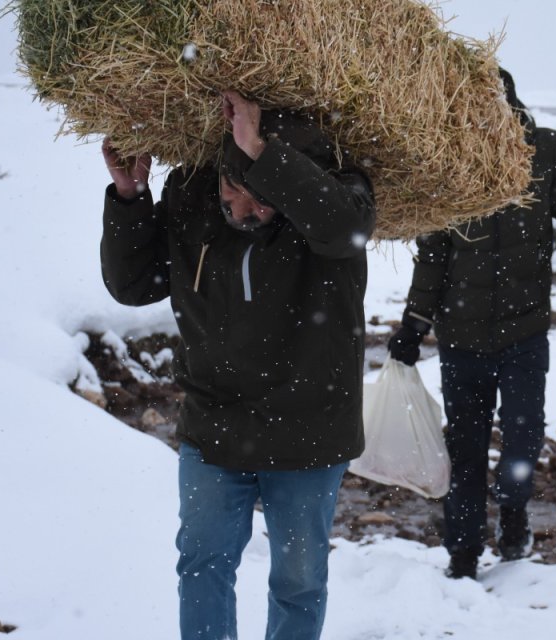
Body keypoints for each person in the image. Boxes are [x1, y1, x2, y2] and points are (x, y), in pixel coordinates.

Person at [100, 91, 376, 640]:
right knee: (202, 567)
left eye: (263, 199)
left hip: (309, 432)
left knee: (298, 584)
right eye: (235, 192)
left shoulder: (338, 192)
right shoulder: (194, 192)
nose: (247, 210)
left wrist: (262, 154)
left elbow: (347, 230)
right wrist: (130, 198)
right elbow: (133, 285)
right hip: (215, 425)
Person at [388, 69, 556, 580]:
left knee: (523, 437)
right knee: (464, 451)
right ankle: (463, 554)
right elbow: (433, 252)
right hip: (462, 339)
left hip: (524, 333)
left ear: (511, 108)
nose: (482, 124)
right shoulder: (450, 162)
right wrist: (413, 324)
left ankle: (513, 517)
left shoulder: (546, 151)